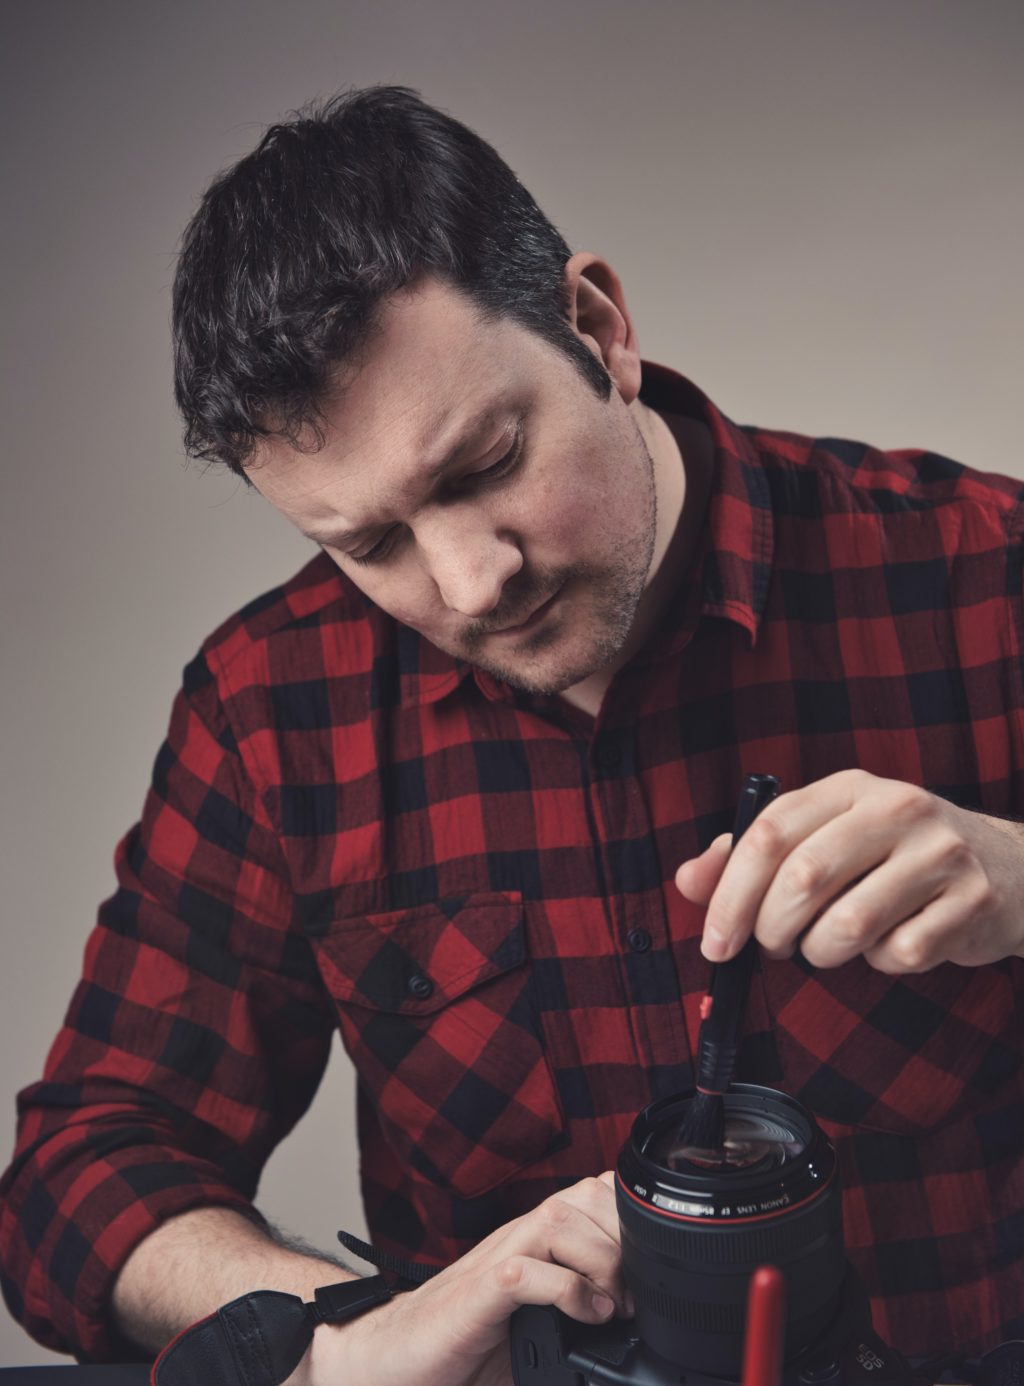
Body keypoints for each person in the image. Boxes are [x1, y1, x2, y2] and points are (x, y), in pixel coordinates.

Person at [1, 85, 1021, 1381]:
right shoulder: (273, 707)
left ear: (597, 324)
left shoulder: (987, 574)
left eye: (484, 464)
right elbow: (76, 1175)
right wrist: (354, 1324)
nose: (470, 581)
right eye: (368, 542)